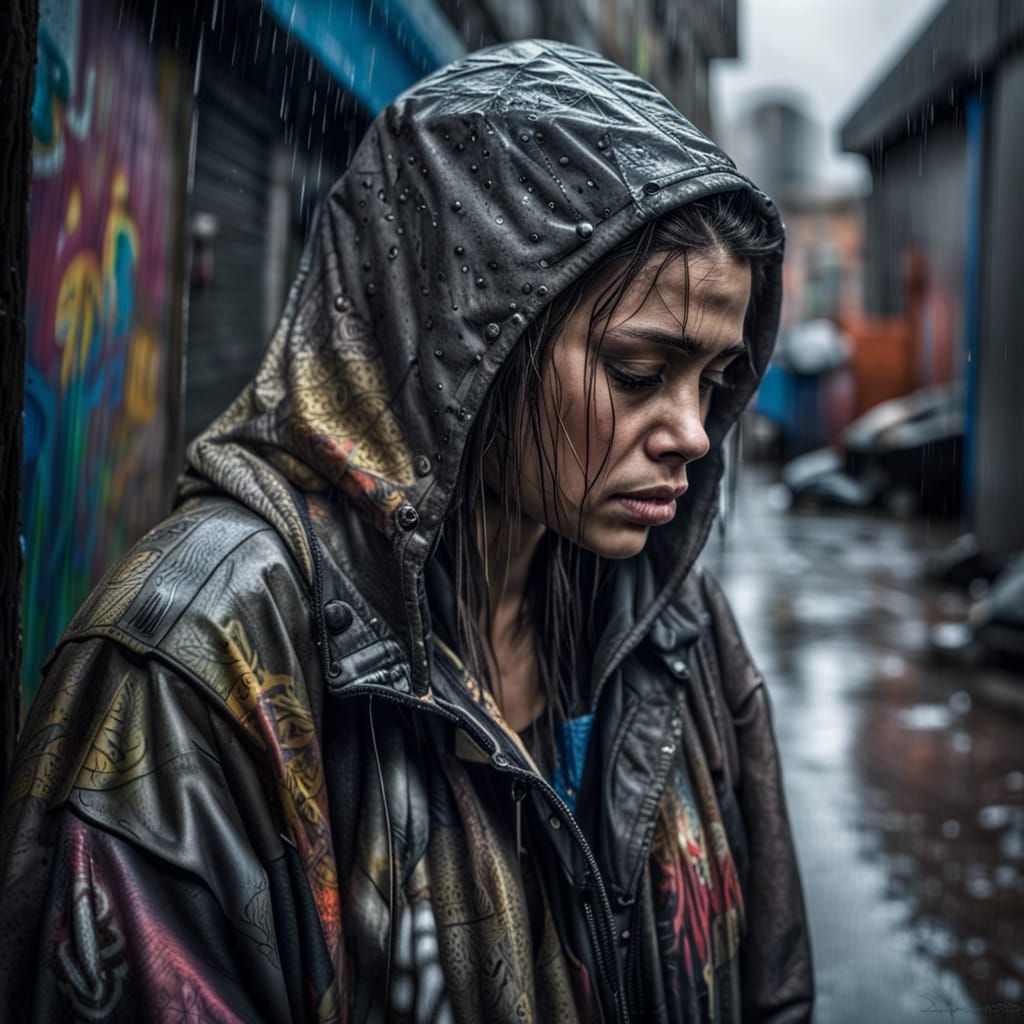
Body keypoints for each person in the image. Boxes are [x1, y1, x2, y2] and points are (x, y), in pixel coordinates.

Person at [0, 39, 813, 1023]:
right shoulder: (192, 661)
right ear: (472, 334)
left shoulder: (674, 626)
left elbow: (769, 990)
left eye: (714, 381)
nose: (691, 431)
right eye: (641, 371)